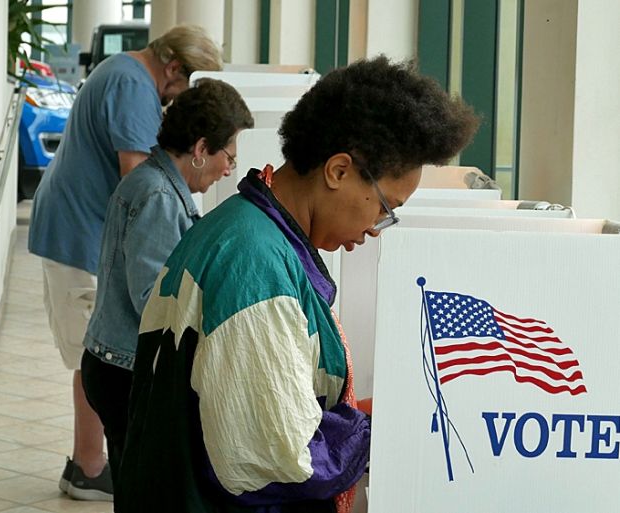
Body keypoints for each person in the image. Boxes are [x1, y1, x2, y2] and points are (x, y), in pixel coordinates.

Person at [116, 56, 479, 513]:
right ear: (338, 171)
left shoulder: (246, 229)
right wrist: (381, 428)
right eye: (385, 207)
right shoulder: (255, 264)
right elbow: (283, 458)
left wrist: (359, 416)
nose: (376, 227)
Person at [27, 25, 222, 501]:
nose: (181, 101)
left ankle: (86, 463)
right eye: (187, 86)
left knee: (92, 351)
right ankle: (89, 468)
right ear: (173, 68)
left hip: (76, 224)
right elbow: (141, 181)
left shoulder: (122, 70)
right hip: (79, 231)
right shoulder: (134, 87)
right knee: (97, 352)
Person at [80, 78, 254, 505]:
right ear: (201, 148)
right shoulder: (158, 195)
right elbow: (154, 302)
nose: (229, 170)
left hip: (115, 364)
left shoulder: (155, 184)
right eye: (229, 157)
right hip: (124, 370)